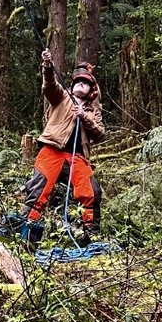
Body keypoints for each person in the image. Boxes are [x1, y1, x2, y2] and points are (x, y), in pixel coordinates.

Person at [20, 50, 105, 248]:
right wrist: (47, 65)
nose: (80, 85)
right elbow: (49, 85)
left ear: (92, 91)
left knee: (91, 191)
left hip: (77, 156)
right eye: (77, 82)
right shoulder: (62, 97)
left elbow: (100, 134)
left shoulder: (93, 111)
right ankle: (27, 234)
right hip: (52, 149)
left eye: (85, 83)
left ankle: (90, 237)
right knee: (39, 189)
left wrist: (84, 116)